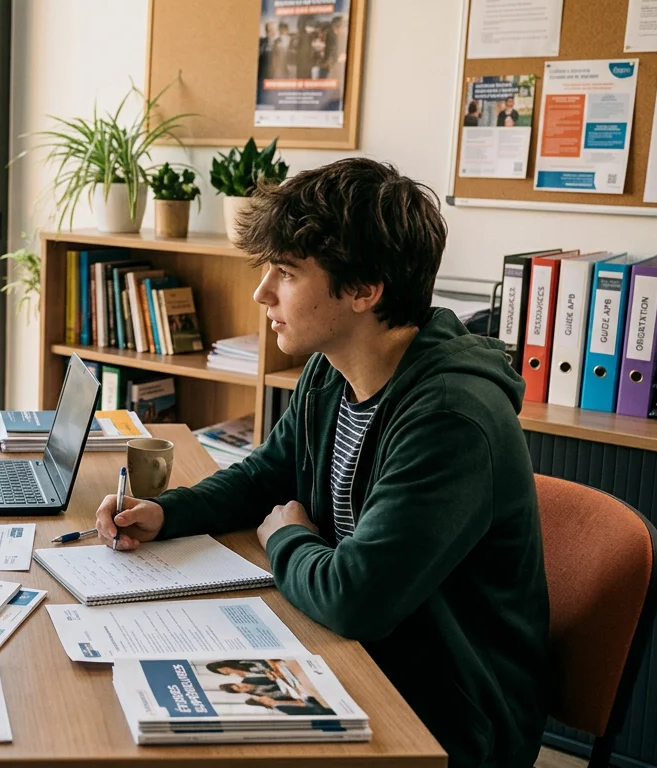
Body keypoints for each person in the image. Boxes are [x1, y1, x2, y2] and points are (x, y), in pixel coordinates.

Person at [94, 158, 550, 768]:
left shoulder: (451, 419)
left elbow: (356, 597)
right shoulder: (330, 370)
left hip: (440, 714)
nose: (262, 293)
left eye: (285, 273)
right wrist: (165, 511)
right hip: (350, 654)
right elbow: (265, 478)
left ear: (364, 290)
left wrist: (286, 539)